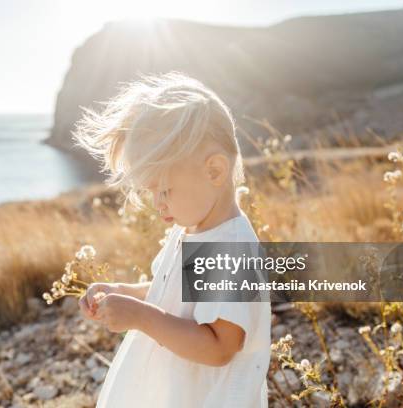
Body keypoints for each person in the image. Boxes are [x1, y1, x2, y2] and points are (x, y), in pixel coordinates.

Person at [73, 71, 271, 407]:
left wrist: (140, 316)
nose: (157, 203)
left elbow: (219, 347)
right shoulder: (191, 228)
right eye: (150, 191)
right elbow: (174, 295)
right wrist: (124, 292)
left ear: (214, 172)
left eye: (164, 189)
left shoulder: (231, 247)